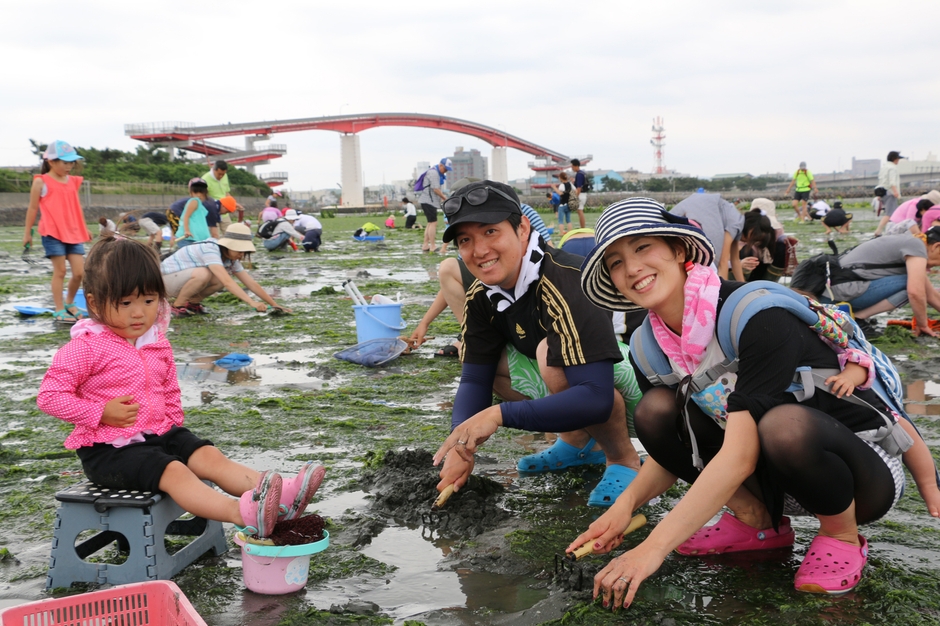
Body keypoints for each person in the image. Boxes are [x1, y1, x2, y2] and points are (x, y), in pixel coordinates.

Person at [571, 198, 940, 608]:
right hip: (771, 472)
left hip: (858, 471)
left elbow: (741, 454)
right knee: (655, 411)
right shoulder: (648, 347)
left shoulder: (755, 312)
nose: (632, 268)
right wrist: (625, 506)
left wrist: (653, 548)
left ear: (679, 250)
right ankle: (756, 522)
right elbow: (681, 444)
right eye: (616, 262)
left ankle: (841, 535)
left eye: (643, 248)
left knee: (784, 425)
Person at [36, 235, 324, 539]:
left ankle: (282, 494)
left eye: (148, 301)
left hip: (155, 434)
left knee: (207, 454)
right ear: (94, 302)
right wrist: (100, 412)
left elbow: (168, 387)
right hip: (108, 453)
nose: (139, 312)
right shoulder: (86, 347)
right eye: (125, 303)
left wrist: (173, 428)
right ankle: (241, 513)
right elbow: (50, 397)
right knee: (174, 471)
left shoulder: (155, 343)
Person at [431, 180, 643, 508]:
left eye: (490, 232)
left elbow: (597, 398)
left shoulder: (566, 278)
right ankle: (576, 444)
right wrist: (462, 444)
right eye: (465, 240)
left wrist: (499, 415)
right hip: (574, 386)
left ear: (522, 229)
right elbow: (475, 378)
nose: (479, 250)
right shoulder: (482, 295)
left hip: (625, 387)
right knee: (492, 364)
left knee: (550, 355)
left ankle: (622, 460)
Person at [820, 228, 940, 338]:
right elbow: (915, 293)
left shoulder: (912, 241)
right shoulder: (916, 246)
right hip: (836, 293)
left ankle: (855, 317)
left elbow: (931, 295)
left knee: (916, 283)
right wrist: (922, 324)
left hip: (834, 290)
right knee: (911, 284)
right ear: (936, 246)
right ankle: (857, 318)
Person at [23, 140, 92, 322]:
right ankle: (59, 309)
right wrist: (27, 233)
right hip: (52, 232)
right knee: (60, 271)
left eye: (71, 162)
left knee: (79, 273)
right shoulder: (41, 182)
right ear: (51, 161)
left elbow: (75, 207)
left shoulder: (73, 182)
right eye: (65, 162)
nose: (69, 166)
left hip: (73, 232)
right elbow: (32, 209)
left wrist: (84, 229)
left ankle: (70, 303)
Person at [161, 223, 291, 317]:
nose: (241, 254)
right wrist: (251, 302)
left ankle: (192, 303)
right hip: (163, 283)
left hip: (180, 281)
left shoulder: (230, 259)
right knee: (205, 274)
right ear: (228, 246)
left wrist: (275, 305)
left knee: (217, 279)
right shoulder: (210, 250)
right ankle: (177, 306)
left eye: (244, 251)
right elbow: (228, 282)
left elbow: (251, 283)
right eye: (239, 250)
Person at [670, 191, 745, 281]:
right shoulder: (737, 222)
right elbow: (722, 262)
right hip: (698, 212)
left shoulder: (733, 219)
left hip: (687, 209)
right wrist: (723, 293)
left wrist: (745, 288)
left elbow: (735, 261)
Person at [418, 158, 452, 253]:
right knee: (433, 223)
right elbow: (435, 189)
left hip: (427, 200)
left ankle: (425, 245)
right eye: (445, 169)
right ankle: (432, 245)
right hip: (429, 201)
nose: (445, 171)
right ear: (441, 165)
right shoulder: (434, 173)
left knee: (430, 223)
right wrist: (445, 198)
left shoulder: (434, 172)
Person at [175, 178, 213, 249]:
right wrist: (187, 231)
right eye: (196, 192)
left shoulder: (199, 204)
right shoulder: (195, 201)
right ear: (191, 193)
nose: (199, 195)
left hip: (194, 239)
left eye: (201, 192)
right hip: (188, 238)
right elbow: (186, 216)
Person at [874, 151, 904, 237]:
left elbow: (881, 181)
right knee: (890, 213)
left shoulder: (884, 167)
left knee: (890, 213)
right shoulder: (892, 168)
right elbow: (892, 182)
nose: (898, 161)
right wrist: (896, 192)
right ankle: (878, 231)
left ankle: (889, 230)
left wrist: (880, 196)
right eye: (898, 159)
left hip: (883, 192)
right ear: (894, 159)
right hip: (890, 192)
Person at [202, 160, 238, 229]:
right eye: (219, 174)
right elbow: (203, 198)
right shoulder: (205, 179)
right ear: (214, 170)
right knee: (215, 236)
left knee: (230, 233)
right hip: (212, 212)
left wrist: (234, 203)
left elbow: (226, 193)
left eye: (223, 174)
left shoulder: (225, 176)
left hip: (225, 212)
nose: (221, 176)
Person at [551, 172, 574, 237]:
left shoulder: (562, 185)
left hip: (562, 205)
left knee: (560, 220)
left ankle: (561, 232)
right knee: (568, 220)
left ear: (561, 178)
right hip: (569, 204)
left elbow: (560, 193)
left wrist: (554, 187)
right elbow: (574, 190)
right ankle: (570, 232)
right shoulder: (570, 184)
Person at [571, 159, 588, 228]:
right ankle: (582, 227)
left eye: (572, 166)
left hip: (580, 194)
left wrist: (575, 197)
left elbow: (579, 188)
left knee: (580, 211)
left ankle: (582, 227)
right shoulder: (582, 173)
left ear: (576, 166)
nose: (572, 168)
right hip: (583, 194)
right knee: (580, 211)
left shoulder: (579, 174)